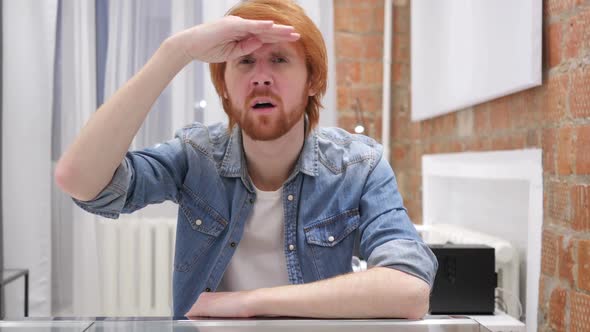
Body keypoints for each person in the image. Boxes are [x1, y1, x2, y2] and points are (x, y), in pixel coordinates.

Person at [55, 0, 438, 319]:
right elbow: (81, 182)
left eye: (279, 60)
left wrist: (249, 303)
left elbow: (409, 287)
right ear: (224, 85)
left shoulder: (358, 165)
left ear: (313, 81)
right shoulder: (197, 156)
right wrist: (176, 52)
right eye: (244, 62)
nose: (261, 77)